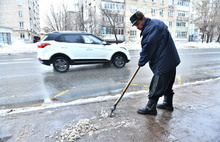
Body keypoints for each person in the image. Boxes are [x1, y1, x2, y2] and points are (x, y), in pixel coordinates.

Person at [130, 11, 181, 115]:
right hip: (170, 59)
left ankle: (150, 107)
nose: (137, 27)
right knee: (167, 84)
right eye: (135, 25)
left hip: (164, 62)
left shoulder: (151, 28)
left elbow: (148, 46)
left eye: (138, 24)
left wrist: (141, 61)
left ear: (143, 19)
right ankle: (167, 103)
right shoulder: (156, 23)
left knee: (156, 84)